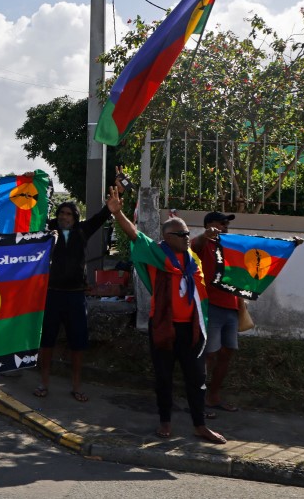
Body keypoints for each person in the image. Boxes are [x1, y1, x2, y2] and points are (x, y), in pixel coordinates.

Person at [109, 186, 226, 444]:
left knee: (197, 378)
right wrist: (118, 214)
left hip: (193, 329)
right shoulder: (158, 254)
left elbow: (196, 243)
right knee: (163, 376)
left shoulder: (191, 258)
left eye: (187, 233)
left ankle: (199, 425)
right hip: (164, 326)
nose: (186, 237)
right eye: (181, 234)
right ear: (167, 237)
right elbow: (135, 235)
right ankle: (165, 420)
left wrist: (205, 236)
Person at [34, 170, 126, 403]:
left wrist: (114, 201)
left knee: (78, 344)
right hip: (51, 295)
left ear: (75, 218)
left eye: (69, 214)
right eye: (62, 213)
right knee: (46, 342)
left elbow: (101, 216)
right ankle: (43, 382)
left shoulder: (82, 231)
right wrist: (31, 187)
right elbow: (30, 212)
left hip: (75, 297)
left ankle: (76, 385)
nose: (64, 217)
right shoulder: (46, 231)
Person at [190, 211, 241, 415]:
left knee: (227, 352)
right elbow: (191, 248)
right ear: (209, 225)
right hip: (211, 306)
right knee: (208, 354)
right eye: (221, 223)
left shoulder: (230, 246)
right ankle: (198, 401)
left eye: (227, 223)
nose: (225, 226)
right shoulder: (203, 245)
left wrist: (288, 245)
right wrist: (205, 236)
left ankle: (213, 397)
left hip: (232, 307)